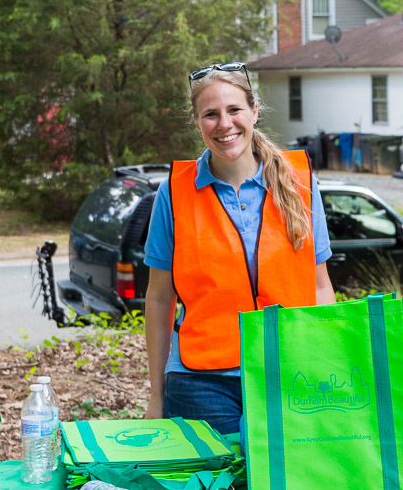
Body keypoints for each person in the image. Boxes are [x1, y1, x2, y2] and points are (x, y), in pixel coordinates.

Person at [143, 62, 337, 435]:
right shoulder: (173, 193)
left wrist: (323, 362)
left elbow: (320, 286)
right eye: (210, 114)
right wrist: (157, 395)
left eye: (234, 110)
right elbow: (159, 299)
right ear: (197, 123)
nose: (224, 123)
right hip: (202, 381)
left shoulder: (300, 183)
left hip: (291, 371)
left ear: (254, 111)